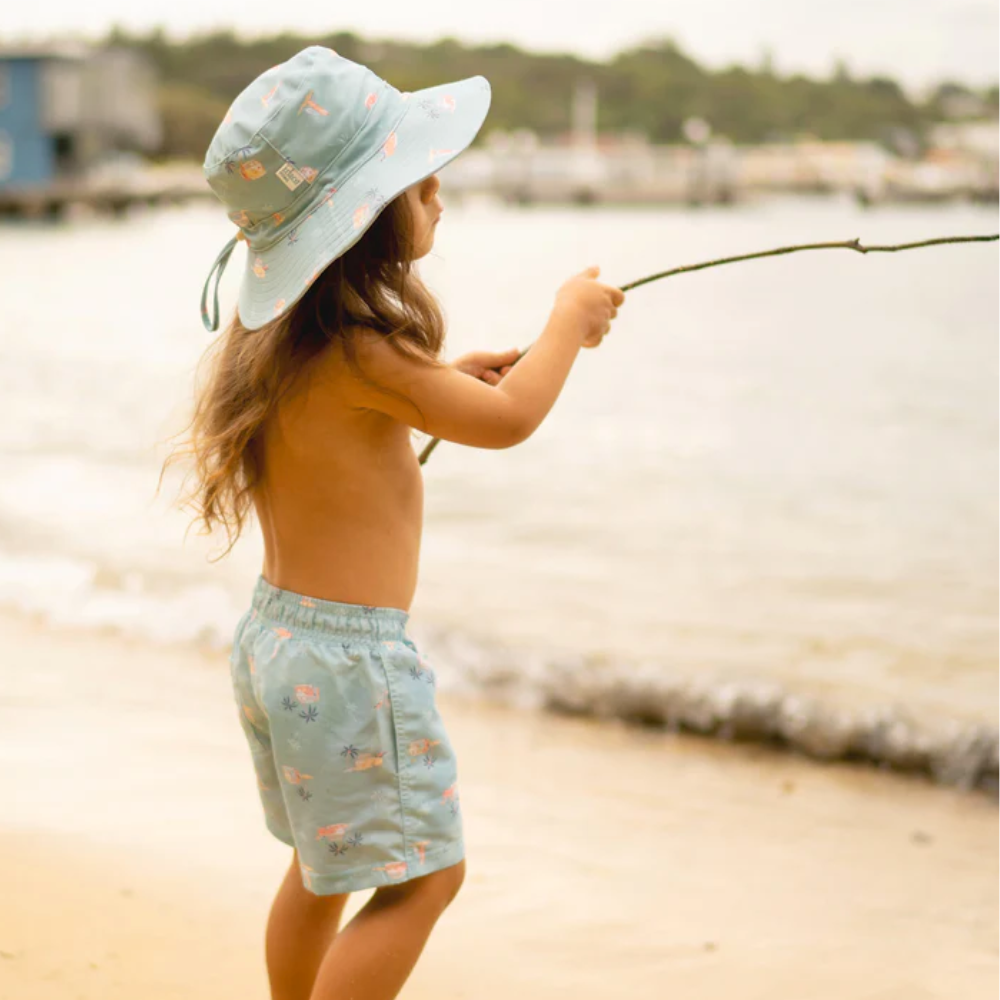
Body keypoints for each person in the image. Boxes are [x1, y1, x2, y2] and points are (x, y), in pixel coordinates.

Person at [162, 45, 625, 1000]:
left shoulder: (287, 344)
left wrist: (447, 378)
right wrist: (566, 324)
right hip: (351, 664)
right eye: (420, 181)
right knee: (426, 879)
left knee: (322, 866)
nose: (440, 192)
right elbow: (508, 422)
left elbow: (380, 417)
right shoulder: (369, 354)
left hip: (276, 642)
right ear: (368, 220)